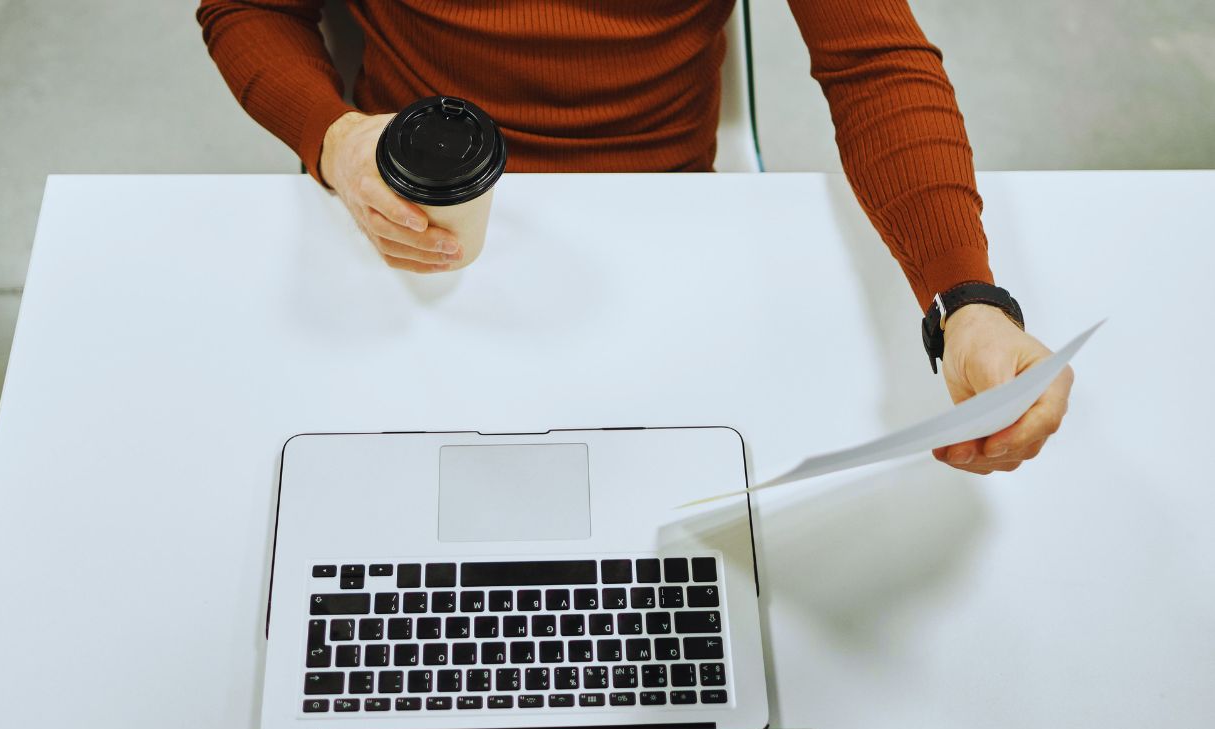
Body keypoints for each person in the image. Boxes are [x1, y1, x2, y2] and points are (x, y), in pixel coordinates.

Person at [197, 0, 1073, 475]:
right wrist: (333, 134)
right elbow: (247, 7)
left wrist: (968, 301)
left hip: (667, 224)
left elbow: (873, 63)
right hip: (414, 216)